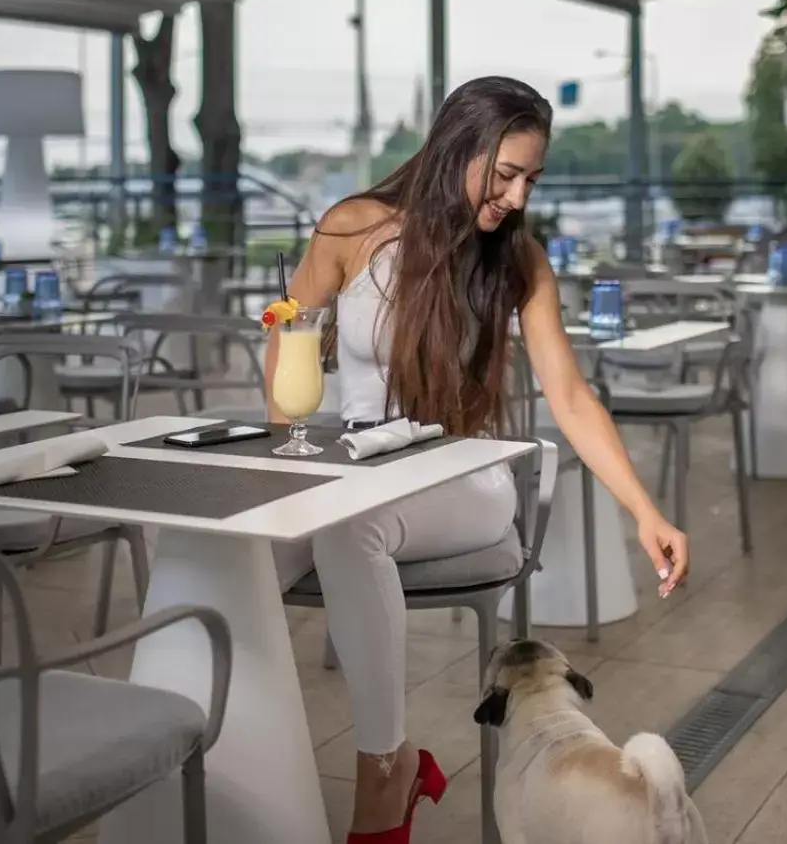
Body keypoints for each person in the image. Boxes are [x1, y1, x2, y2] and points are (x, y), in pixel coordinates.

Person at [268, 76, 690, 844]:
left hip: (461, 477)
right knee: (236, 548)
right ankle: (248, 785)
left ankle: (384, 770)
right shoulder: (350, 228)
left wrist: (646, 510)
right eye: (505, 175)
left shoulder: (517, 263)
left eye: (531, 179)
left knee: (348, 531)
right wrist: (283, 455)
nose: (519, 197)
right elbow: (289, 338)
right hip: (354, 464)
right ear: (454, 146)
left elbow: (568, 396)